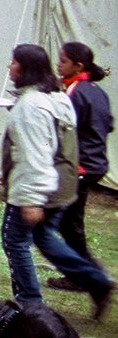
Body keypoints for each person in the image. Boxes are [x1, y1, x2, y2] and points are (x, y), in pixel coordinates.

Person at [0, 42, 113, 316]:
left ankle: (29, 302)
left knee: (14, 240)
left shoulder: (32, 105)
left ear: (25, 68)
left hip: (40, 185)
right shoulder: (56, 95)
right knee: (44, 237)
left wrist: (32, 199)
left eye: (13, 62)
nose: (9, 67)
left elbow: (36, 155)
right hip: (63, 182)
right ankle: (96, 281)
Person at [57, 40, 111, 283]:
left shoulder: (75, 92)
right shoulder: (96, 91)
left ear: (78, 66)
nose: (58, 64)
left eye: (63, 61)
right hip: (94, 162)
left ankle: (88, 276)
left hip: (81, 165)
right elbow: (107, 125)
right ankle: (87, 273)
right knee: (69, 223)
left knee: (69, 224)